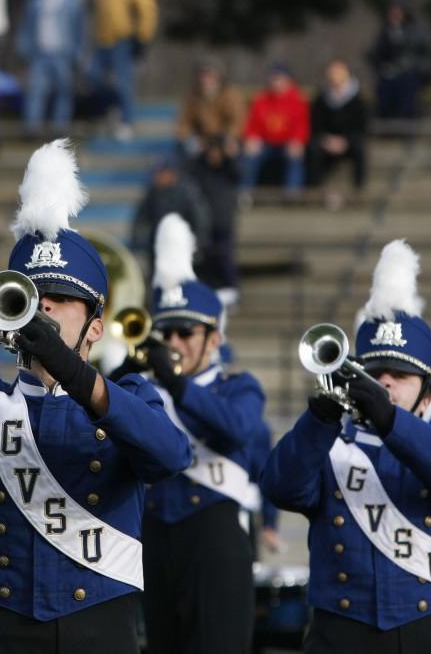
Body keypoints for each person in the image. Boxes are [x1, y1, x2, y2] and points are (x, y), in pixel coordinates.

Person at [0, 139, 192, 653]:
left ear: (96, 327)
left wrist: (68, 367)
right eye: (35, 298)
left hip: (101, 622)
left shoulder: (129, 395)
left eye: (63, 301)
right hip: (4, 625)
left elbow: (168, 456)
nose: (45, 309)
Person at [260, 239, 431, 653]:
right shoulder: (330, 444)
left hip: (428, 630)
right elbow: (280, 487)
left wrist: (390, 421)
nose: (385, 383)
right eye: (376, 372)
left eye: (401, 376)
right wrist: (319, 420)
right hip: (341, 631)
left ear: (428, 390)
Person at [131, 213, 265, 654]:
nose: (173, 341)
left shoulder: (238, 387)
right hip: (152, 535)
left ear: (214, 338)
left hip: (215, 537)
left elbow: (235, 429)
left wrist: (175, 384)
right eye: (165, 331)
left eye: (185, 332)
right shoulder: (144, 389)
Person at [90, 0, 158, 142]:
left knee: (123, 82)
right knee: (93, 77)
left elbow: (147, 11)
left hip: (124, 40)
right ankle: (113, 106)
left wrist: (142, 38)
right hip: (103, 41)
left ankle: (127, 122)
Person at [15, 0, 86, 136]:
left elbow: (80, 30)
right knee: (36, 90)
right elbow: (26, 26)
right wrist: (24, 49)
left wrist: (78, 54)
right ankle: (32, 126)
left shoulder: (73, 2)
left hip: (64, 54)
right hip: (39, 53)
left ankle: (60, 126)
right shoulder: (35, 0)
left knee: (64, 91)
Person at [239, 64, 310, 202]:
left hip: (288, 144)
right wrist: (252, 138)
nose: (276, 83)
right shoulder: (261, 99)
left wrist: (297, 141)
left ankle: (292, 194)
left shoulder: (298, 99)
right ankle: (244, 193)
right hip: (265, 144)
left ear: (288, 80)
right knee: (248, 157)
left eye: (280, 79)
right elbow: (252, 124)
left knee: (295, 157)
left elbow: (302, 126)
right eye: (274, 79)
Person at [130, 157, 211, 272]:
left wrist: (198, 243)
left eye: (161, 173)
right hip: (158, 248)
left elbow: (201, 219)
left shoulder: (188, 192)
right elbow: (140, 220)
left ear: (172, 174)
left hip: (182, 248)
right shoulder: (153, 193)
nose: (157, 177)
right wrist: (138, 242)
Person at [309, 60, 369, 209]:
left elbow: (361, 127)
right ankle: (314, 190)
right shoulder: (322, 99)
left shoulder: (357, 100)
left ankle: (359, 190)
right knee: (313, 149)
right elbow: (316, 124)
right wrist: (326, 139)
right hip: (327, 141)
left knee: (360, 149)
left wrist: (345, 140)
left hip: (348, 142)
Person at [187, 139, 240, 299]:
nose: (214, 157)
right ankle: (209, 293)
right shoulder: (201, 170)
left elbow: (239, 173)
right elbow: (190, 171)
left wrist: (231, 157)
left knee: (225, 257)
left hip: (223, 223)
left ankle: (231, 290)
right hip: (205, 224)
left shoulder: (228, 170)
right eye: (211, 153)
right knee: (206, 260)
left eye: (218, 153)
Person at [368, 0, 431, 120]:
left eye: (397, 12)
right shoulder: (384, 31)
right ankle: (386, 125)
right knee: (384, 92)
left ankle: (407, 125)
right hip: (388, 74)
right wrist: (384, 67)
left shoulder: (416, 30)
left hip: (410, 73)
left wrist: (413, 66)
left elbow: (425, 54)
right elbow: (376, 55)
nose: (395, 16)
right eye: (392, 13)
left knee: (407, 92)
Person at [176, 56, 244, 160]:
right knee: (185, 149)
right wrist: (188, 138)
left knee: (233, 150)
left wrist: (230, 138)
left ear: (219, 77)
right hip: (203, 140)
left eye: (210, 76)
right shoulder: (193, 97)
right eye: (203, 76)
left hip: (224, 138)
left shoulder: (231, 95)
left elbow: (237, 120)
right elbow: (184, 122)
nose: (206, 80)